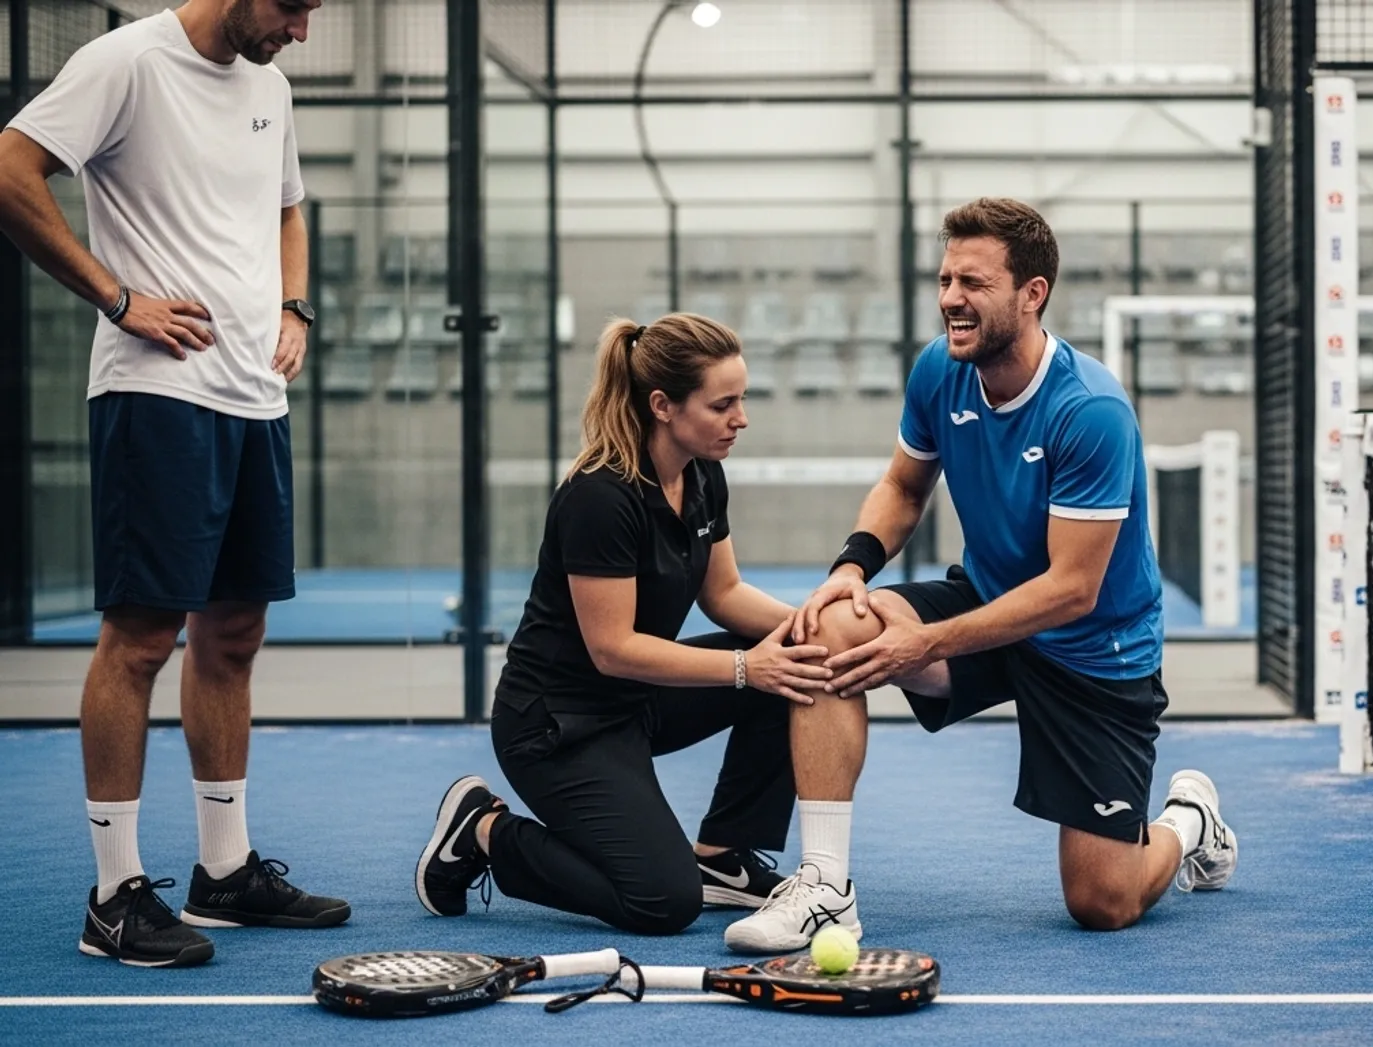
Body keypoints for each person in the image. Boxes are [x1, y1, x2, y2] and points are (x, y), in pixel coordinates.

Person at [723, 198, 1239, 953]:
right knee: (831, 629)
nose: (950, 299)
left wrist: (924, 641)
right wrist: (851, 566)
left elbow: (1072, 587)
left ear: (1032, 294)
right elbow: (903, 487)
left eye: (973, 281)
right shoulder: (940, 370)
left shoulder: (1089, 410)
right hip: (990, 602)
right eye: (944, 279)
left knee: (1102, 901)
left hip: (1095, 652)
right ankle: (827, 886)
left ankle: (1188, 820)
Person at [0, 0, 345, 968]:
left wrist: (294, 305)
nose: (301, 32)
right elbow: (9, 168)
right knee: (143, 636)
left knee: (234, 632)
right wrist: (117, 297)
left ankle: (224, 875)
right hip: (157, 397)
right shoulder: (127, 63)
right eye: (291, 8)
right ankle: (114, 895)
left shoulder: (269, 85)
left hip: (253, 401)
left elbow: (287, 206)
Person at [414, 313, 837, 936]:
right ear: (663, 405)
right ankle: (483, 830)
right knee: (662, 903)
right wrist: (750, 668)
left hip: (637, 701)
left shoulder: (700, 474)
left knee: (793, 661)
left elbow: (723, 595)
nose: (741, 418)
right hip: (558, 725)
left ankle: (723, 858)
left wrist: (813, 627)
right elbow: (612, 649)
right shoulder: (600, 496)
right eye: (723, 404)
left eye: (741, 400)